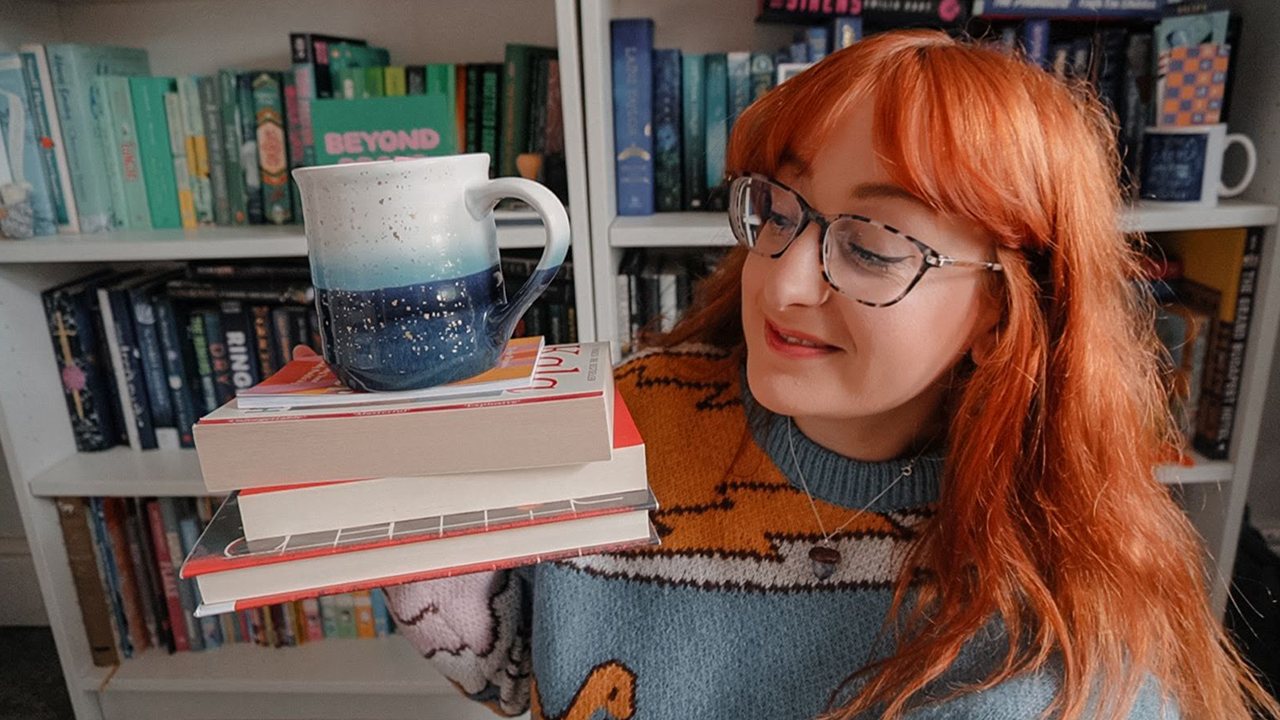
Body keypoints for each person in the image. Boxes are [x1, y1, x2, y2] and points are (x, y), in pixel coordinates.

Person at [383, 29, 1280, 720]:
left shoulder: (1058, 582)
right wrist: (414, 550)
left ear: (1001, 309)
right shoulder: (636, 412)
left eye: (874, 246)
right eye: (779, 208)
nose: (784, 279)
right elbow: (534, 673)